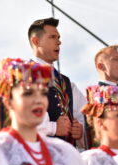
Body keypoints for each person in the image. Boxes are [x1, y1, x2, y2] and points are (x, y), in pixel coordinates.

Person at [0, 58, 90, 165]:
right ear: (8, 102)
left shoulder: (63, 151)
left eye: (43, 93)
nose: (38, 100)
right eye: (28, 93)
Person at [28, 17, 86, 148]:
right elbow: (18, 119)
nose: (59, 42)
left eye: (58, 37)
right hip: (39, 156)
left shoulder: (65, 82)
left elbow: (84, 113)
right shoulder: (25, 74)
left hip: (66, 155)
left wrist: (80, 130)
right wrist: (53, 128)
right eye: (52, 37)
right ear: (36, 41)